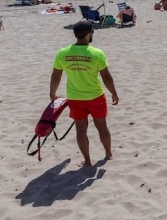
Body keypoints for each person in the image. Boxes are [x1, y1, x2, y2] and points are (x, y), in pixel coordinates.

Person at [49, 21, 119, 167]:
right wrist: (114, 93)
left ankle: (87, 161)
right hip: (95, 97)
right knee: (102, 126)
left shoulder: (63, 53)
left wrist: (52, 93)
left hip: (75, 98)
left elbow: (56, 76)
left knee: (80, 129)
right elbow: (106, 77)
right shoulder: (96, 53)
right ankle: (108, 154)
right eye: (92, 32)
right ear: (88, 34)